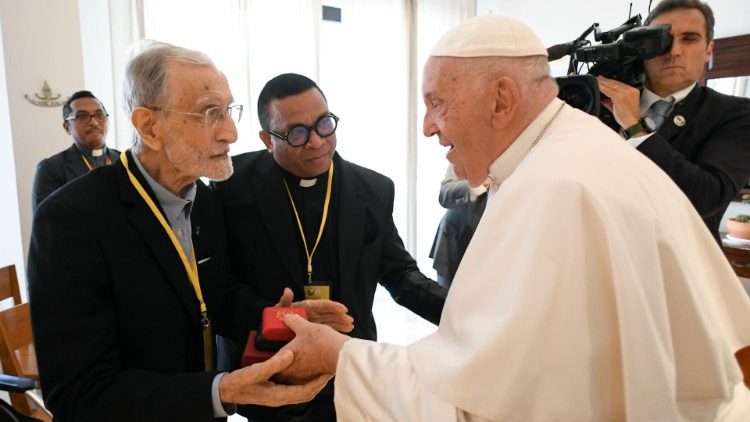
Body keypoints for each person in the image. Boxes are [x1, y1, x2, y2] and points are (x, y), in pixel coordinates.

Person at [274, 15, 750, 421]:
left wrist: (342, 356)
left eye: (437, 102)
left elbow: (482, 402)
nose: (427, 126)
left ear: (502, 100)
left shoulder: (555, 189)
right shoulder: (566, 148)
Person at [28, 42, 331, 422]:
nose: (231, 133)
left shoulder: (202, 197)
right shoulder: (71, 219)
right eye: (210, 113)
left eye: (228, 110)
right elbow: (79, 393)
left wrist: (273, 317)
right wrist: (218, 391)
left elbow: (213, 294)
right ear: (149, 127)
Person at [210, 72, 447, 421]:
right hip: (270, 369)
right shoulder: (229, 187)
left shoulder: (372, 189)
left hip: (346, 368)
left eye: (324, 124)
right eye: (297, 133)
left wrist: (467, 318)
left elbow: (400, 275)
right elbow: (218, 285)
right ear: (267, 138)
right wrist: (279, 318)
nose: (317, 142)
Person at [597, 0, 750, 243]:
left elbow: (706, 197)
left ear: (709, 48)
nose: (674, 51)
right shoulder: (598, 105)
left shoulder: (735, 113)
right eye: (661, 40)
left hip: (679, 269)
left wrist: (635, 127)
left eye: (689, 38)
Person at [31, 90, 120, 213]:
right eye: (82, 116)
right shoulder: (51, 168)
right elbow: (45, 223)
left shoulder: (125, 160)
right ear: (67, 127)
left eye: (99, 115)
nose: (94, 122)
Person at [429, 164, 488, 288]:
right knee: (447, 301)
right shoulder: (468, 149)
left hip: (492, 250)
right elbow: (445, 193)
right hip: (455, 242)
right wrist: (478, 185)